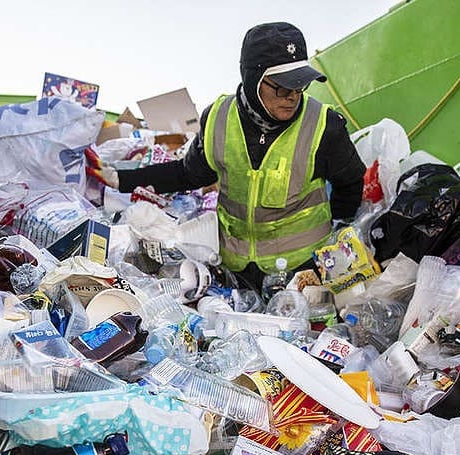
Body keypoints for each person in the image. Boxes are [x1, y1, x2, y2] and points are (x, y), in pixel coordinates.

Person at [100, 22, 366, 290]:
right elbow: (189, 174)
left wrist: (332, 248)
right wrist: (119, 179)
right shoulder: (218, 118)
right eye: (283, 87)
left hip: (302, 274)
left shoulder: (324, 125)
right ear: (253, 79)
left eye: (300, 86)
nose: (293, 97)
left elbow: (351, 182)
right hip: (237, 272)